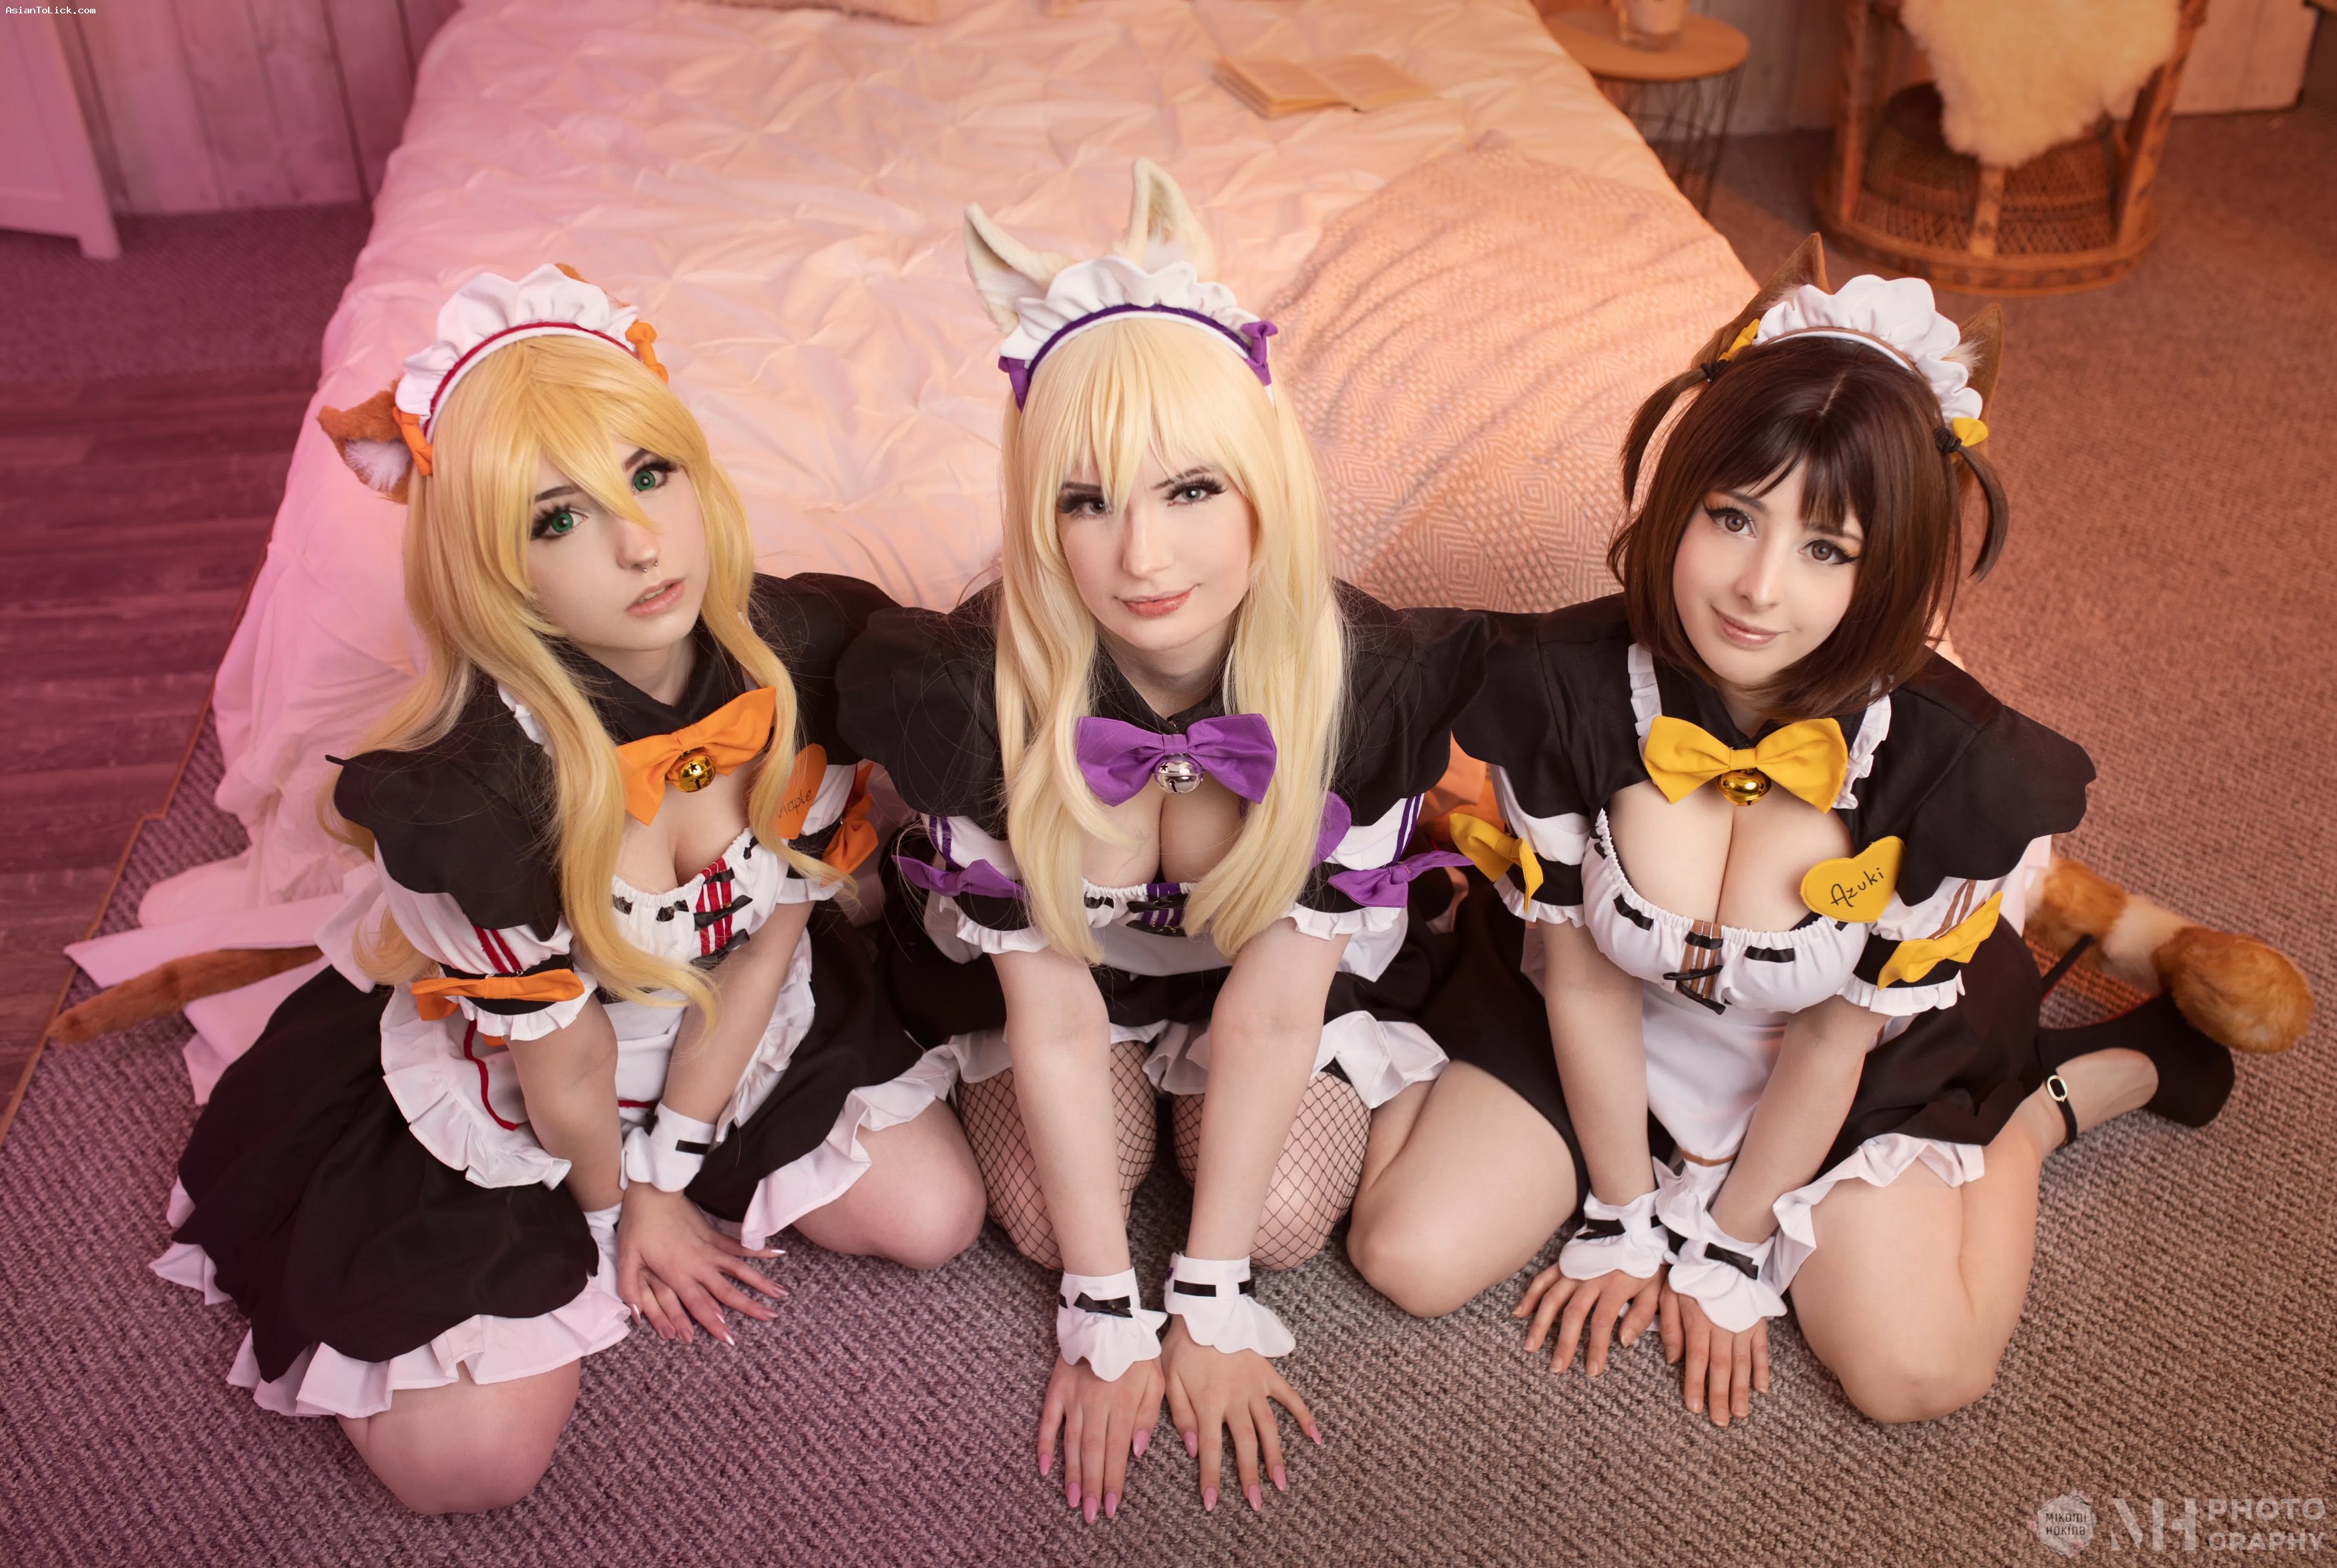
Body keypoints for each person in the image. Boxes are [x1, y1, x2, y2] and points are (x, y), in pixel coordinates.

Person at [1346, 240, 2251, 1427]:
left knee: (1919, 1373)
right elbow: (1580, 978)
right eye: (1734, 516)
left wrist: (1728, 1244)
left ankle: (2039, 1113)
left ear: (1890, 570)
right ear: (1679, 496)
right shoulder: (1567, 688)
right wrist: (1622, 1211)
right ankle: (1611, 1166)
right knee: (1405, 1254)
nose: (1758, 587)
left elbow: (1833, 1039)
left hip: (1847, 1067)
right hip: (1603, 1019)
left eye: (1827, 548)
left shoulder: (1945, 765)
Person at [154, 265, 984, 1513]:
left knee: (936, 1216)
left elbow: (767, 944)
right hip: (536, 1096)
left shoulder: (798, 658)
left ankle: (698, 1170)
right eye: (558, 519)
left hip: (729, 1031)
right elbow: (571, 1064)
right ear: (492, 566)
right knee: (468, 1467)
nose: (639, 543)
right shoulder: (478, 794)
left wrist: (675, 1165)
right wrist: (621, 1208)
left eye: (651, 474)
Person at [839, 164, 1481, 1520]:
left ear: (1262, 485)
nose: (1140, 556)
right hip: (1074, 997)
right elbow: (1056, 1022)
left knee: (1283, 1217)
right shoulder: (976, 699)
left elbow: (1273, 1015)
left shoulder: (1359, 687)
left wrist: (1208, 1297)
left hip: (1264, 993)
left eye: (1189, 489)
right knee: (1040, 1216)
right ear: (1037, 513)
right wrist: (1103, 1309)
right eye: (1086, 500)